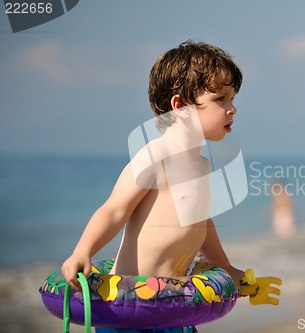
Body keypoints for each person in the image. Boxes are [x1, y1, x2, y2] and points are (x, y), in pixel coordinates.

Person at [61, 40, 246, 333]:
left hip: (175, 305)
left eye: (232, 99)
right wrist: (83, 251)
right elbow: (114, 209)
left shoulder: (202, 165)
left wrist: (227, 269)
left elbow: (201, 226)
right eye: (221, 99)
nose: (232, 109)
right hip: (130, 310)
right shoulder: (155, 156)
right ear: (181, 105)